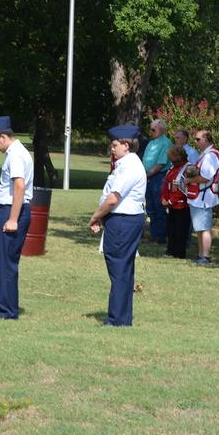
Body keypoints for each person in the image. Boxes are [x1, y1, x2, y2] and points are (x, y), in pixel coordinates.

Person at [88, 124, 147, 326]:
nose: (112, 149)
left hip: (124, 221)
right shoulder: (125, 164)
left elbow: (113, 198)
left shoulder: (129, 166)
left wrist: (96, 216)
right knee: (122, 269)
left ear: (126, 145)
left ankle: (117, 319)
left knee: (119, 269)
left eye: (115, 145)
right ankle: (121, 316)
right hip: (122, 219)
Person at [0, 116, 33, 320]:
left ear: (3, 137)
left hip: (13, 210)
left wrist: (12, 219)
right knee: (7, 262)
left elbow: (19, 186)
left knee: (6, 263)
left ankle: (7, 311)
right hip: (15, 209)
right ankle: (8, 308)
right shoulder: (18, 152)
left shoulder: (15, 155)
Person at [186, 130, 219, 264]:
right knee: (200, 228)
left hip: (204, 197)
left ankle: (205, 256)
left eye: (198, 139)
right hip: (200, 196)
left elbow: (206, 177)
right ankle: (201, 254)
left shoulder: (210, 156)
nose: (195, 142)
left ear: (206, 140)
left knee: (205, 227)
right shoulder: (206, 154)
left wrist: (189, 180)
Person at [142, 119, 171, 243]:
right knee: (150, 207)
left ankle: (160, 236)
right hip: (148, 177)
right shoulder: (151, 143)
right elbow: (145, 160)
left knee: (159, 207)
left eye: (153, 129)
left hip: (158, 177)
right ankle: (153, 235)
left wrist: (147, 175)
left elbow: (160, 164)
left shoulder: (166, 143)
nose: (151, 131)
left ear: (161, 130)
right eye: (151, 129)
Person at [161, 146, 190, 259]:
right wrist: (163, 198)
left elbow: (183, 189)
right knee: (171, 230)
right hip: (171, 205)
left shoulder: (189, 167)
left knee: (181, 231)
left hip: (182, 205)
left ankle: (179, 253)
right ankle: (170, 250)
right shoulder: (172, 168)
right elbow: (166, 184)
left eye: (174, 158)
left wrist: (170, 201)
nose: (172, 160)